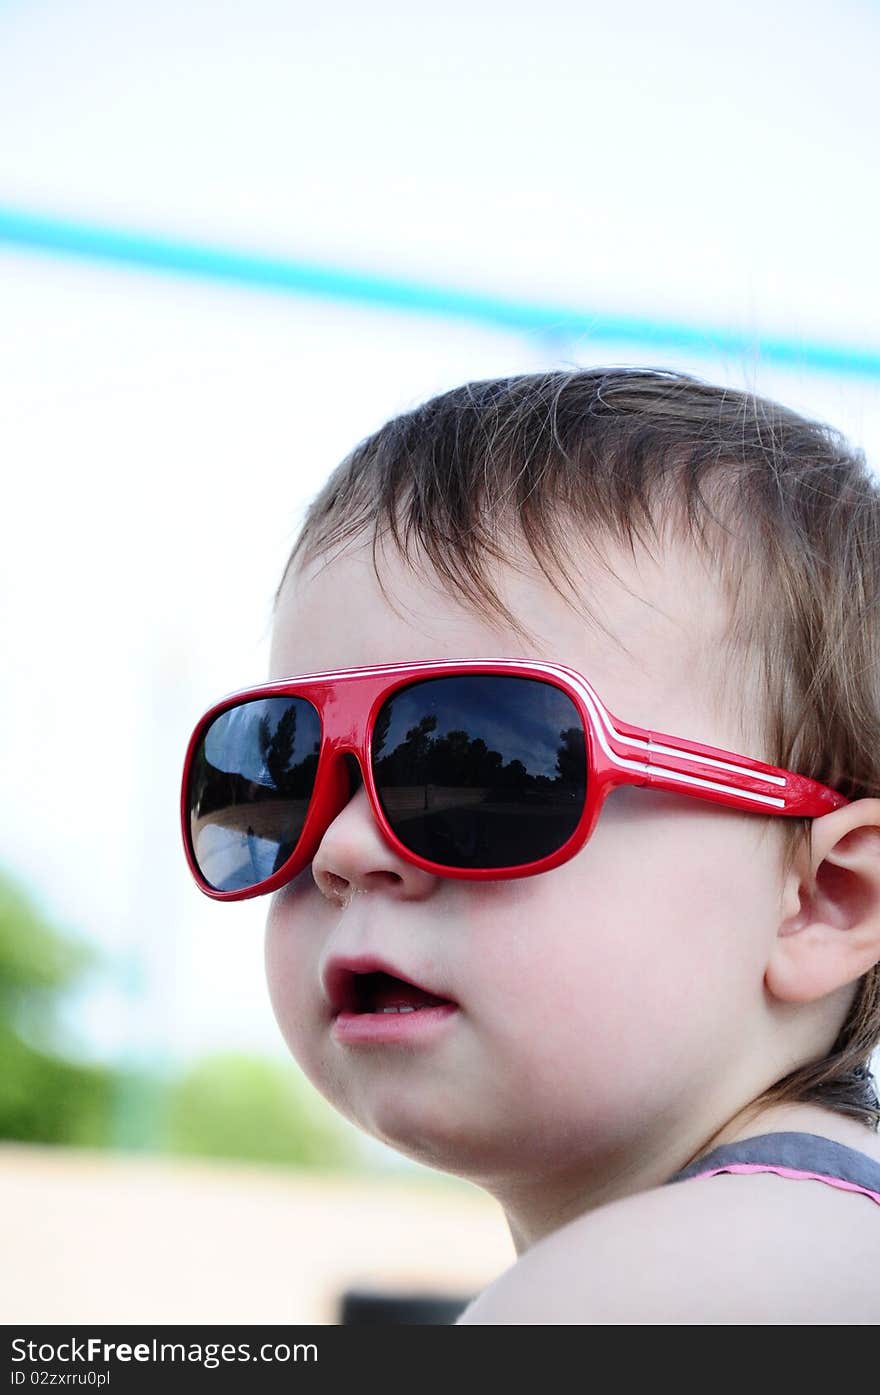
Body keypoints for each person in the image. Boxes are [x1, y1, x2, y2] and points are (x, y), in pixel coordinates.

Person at [182, 367, 880, 1323]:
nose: (342, 846)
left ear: (824, 897)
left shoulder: (669, 1290)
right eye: (282, 775)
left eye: (493, 769)